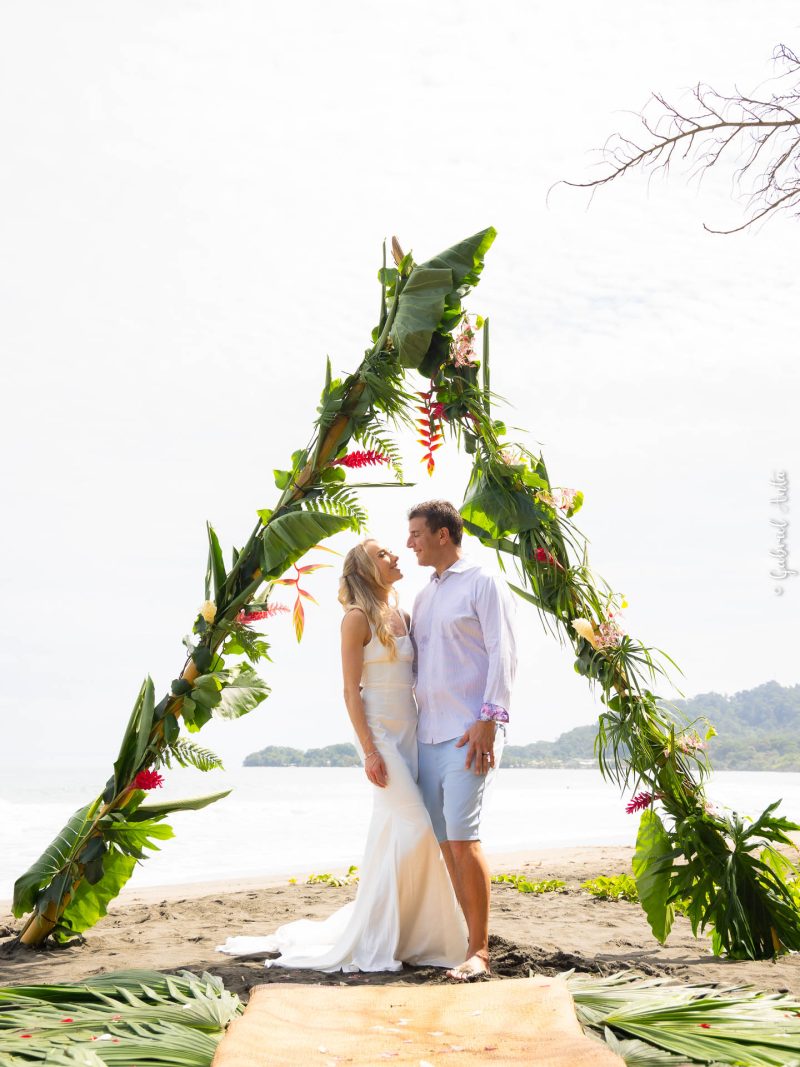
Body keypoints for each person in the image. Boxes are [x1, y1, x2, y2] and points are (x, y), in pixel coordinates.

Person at [215, 538, 466, 972]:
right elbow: (351, 692)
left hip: (413, 731)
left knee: (393, 834)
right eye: (384, 554)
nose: (395, 556)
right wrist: (369, 750)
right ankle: (389, 933)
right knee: (417, 827)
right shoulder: (355, 619)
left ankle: (403, 932)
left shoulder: (404, 615)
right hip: (381, 734)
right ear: (367, 569)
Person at [407, 500, 517, 981]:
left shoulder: (483, 582)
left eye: (416, 533)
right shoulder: (423, 596)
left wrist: (489, 719)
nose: (409, 542)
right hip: (426, 735)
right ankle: (461, 937)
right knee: (443, 841)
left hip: (468, 732)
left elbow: (503, 650)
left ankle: (480, 951)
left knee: (462, 836)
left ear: (443, 535)